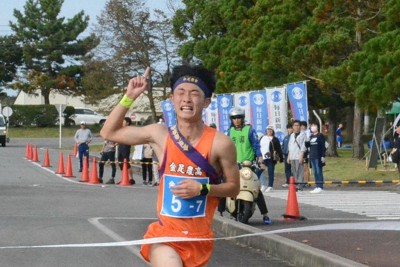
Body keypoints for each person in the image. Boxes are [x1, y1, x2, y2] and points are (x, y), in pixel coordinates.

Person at [100, 65, 239, 267]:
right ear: (172, 99)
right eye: (180, 93)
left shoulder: (221, 143)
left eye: (194, 94)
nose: (186, 99)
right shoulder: (160, 135)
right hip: (165, 234)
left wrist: (202, 189)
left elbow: (234, 187)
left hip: (198, 238)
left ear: (207, 101)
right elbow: (108, 133)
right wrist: (129, 96)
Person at [227, 107, 272, 224]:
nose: (236, 120)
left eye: (238, 118)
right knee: (227, 185)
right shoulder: (229, 131)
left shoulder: (249, 130)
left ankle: (265, 214)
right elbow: (226, 147)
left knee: (256, 188)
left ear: (243, 119)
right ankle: (223, 210)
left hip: (249, 165)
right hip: (234, 164)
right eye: (234, 118)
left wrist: (260, 160)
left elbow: (256, 146)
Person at [259, 125, 283, 192]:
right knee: (259, 171)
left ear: (273, 131)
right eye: (268, 130)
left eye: (270, 130)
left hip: (271, 158)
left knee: (271, 172)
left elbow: (279, 149)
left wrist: (281, 158)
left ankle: (270, 185)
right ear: (266, 131)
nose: (269, 131)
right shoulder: (262, 138)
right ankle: (263, 184)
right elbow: (258, 146)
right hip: (262, 157)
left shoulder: (275, 139)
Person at [287, 120, 307, 191]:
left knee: (300, 170)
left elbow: (303, 146)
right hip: (292, 155)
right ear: (293, 127)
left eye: (298, 125)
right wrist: (289, 156)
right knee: (294, 171)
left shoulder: (303, 135)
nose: (296, 127)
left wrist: (301, 155)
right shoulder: (292, 135)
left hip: (299, 155)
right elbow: (290, 146)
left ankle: (300, 185)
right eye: (295, 125)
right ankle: (295, 185)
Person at [116, 117, 135, 185]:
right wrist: (116, 144)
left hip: (126, 146)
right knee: (120, 163)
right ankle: (123, 178)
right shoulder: (121, 129)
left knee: (126, 162)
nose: (122, 122)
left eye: (124, 121)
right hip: (120, 146)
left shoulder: (129, 130)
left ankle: (131, 178)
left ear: (127, 123)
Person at [308, 122, 326, 193]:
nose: (313, 127)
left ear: (317, 127)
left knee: (319, 171)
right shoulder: (311, 136)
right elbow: (308, 146)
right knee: (315, 172)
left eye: (314, 125)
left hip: (318, 156)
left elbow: (323, 146)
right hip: (312, 156)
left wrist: (323, 156)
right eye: (312, 126)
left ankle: (320, 186)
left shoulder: (320, 135)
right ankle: (317, 186)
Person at [281, 123, 293, 188]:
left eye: (291, 128)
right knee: (287, 169)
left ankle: (293, 181)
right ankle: (288, 181)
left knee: (293, 169)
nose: (290, 129)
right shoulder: (286, 137)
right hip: (285, 155)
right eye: (289, 128)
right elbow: (283, 146)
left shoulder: (293, 136)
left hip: (292, 155)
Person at [300, 120, 311, 187]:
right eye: (301, 126)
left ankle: (307, 182)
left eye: (303, 126)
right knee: (302, 168)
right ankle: (305, 181)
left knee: (305, 167)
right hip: (299, 152)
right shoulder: (299, 133)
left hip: (305, 152)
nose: (302, 127)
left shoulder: (307, 133)